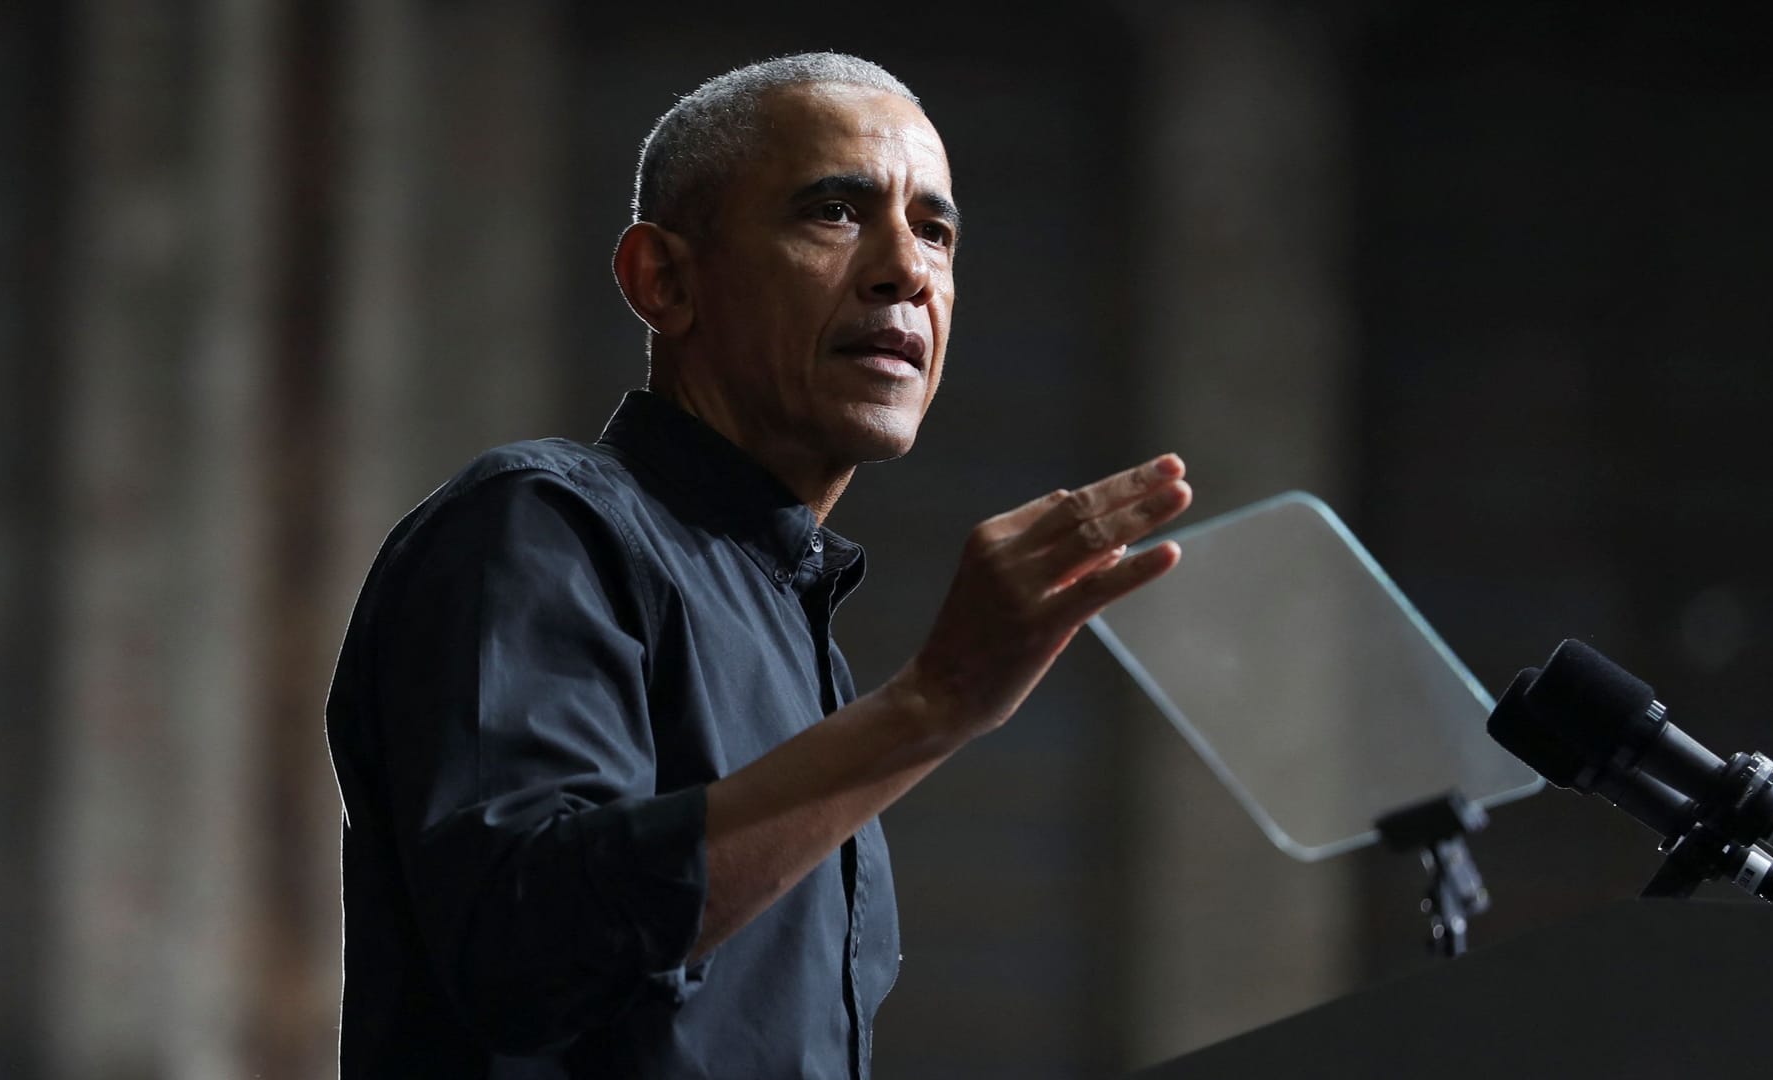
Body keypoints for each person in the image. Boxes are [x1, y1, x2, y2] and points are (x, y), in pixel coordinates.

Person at [326, 52, 1192, 1079]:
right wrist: (933, 704)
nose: (906, 269)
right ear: (667, 281)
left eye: (937, 230)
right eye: (834, 212)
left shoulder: (804, 647)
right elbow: (526, 946)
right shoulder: (538, 525)